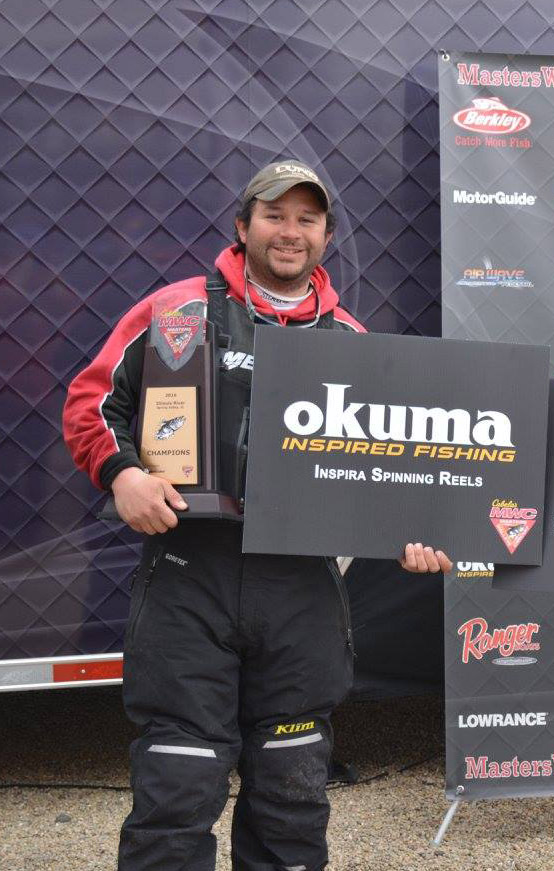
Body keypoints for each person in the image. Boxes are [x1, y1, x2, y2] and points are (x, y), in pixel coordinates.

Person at [62, 159, 451, 871]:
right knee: (177, 782)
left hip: (300, 585)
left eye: (308, 219)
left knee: (292, 787)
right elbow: (92, 404)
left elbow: (394, 471)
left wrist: (418, 532)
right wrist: (122, 476)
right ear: (243, 227)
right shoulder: (175, 310)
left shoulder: (355, 345)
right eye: (275, 215)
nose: (291, 232)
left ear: (327, 236)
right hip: (189, 575)